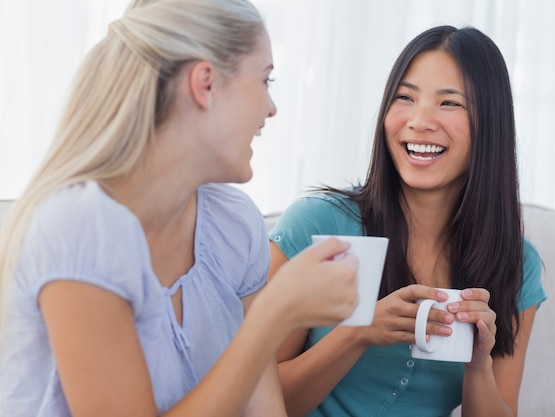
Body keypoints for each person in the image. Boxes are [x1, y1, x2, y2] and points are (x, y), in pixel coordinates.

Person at [0, 0, 360, 416]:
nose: (271, 108)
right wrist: (275, 314)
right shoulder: (79, 227)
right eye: (264, 81)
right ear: (205, 84)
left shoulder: (232, 223)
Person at [268, 25, 547, 417]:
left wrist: (478, 363)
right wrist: (358, 333)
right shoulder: (318, 225)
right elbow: (251, 398)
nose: (419, 121)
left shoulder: (517, 263)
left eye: (449, 103)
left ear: (491, 125)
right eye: (405, 97)